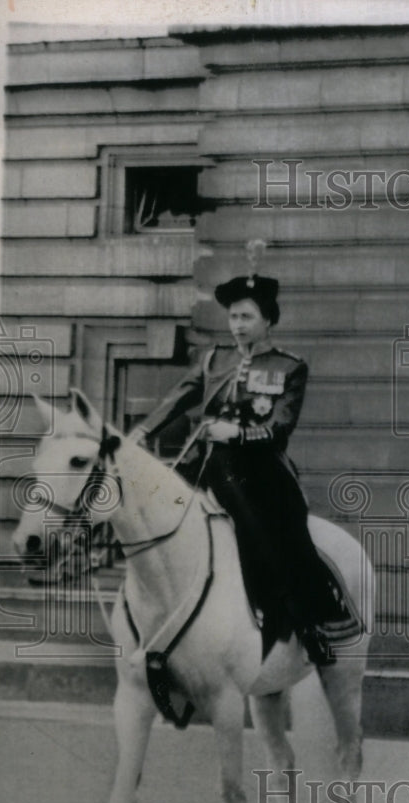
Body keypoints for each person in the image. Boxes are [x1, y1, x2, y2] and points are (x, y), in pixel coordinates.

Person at [133, 248, 356, 668]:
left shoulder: (289, 367)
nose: (237, 326)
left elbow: (280, 427)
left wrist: (236, 432)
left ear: (268, 320)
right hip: (209, 463)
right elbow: (181, 397)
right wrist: (145, 430)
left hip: (263, 472)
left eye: (246, 317)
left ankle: (308, 620)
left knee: (280, 535)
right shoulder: (215, 359)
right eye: (233, 317)